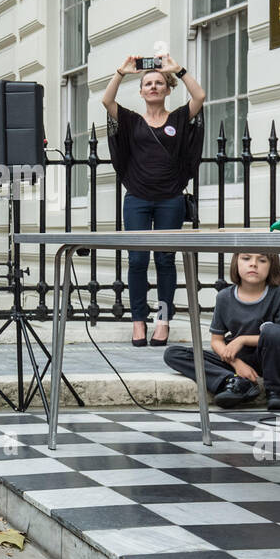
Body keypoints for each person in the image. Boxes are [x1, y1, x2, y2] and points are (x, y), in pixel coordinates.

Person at [102, 54, 205, 346]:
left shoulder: (178, 119)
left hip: (170, 199)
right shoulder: (131, 121)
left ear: (167, 89)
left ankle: (162, 320)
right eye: (148, 83)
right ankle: (138, 320)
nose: (153, 87)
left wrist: (178, 70)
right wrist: (121, 72)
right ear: (141, 91)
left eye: (159, 82)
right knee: (136, 260)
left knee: (165, 260)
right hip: (137, 198)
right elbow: (107, 102)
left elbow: (199, 96)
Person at [163, 252, 280, 410]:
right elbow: (216, 341)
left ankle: (276, 392)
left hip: (273, 356)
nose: (253, 264)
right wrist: (236, 363)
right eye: (246, 258)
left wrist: (242, 340)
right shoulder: (224, 297)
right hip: (238, 357)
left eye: (262, 260)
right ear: (236, 262)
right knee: (173, 354)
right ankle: (235, 382)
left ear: (272, 266)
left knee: (273, 331)